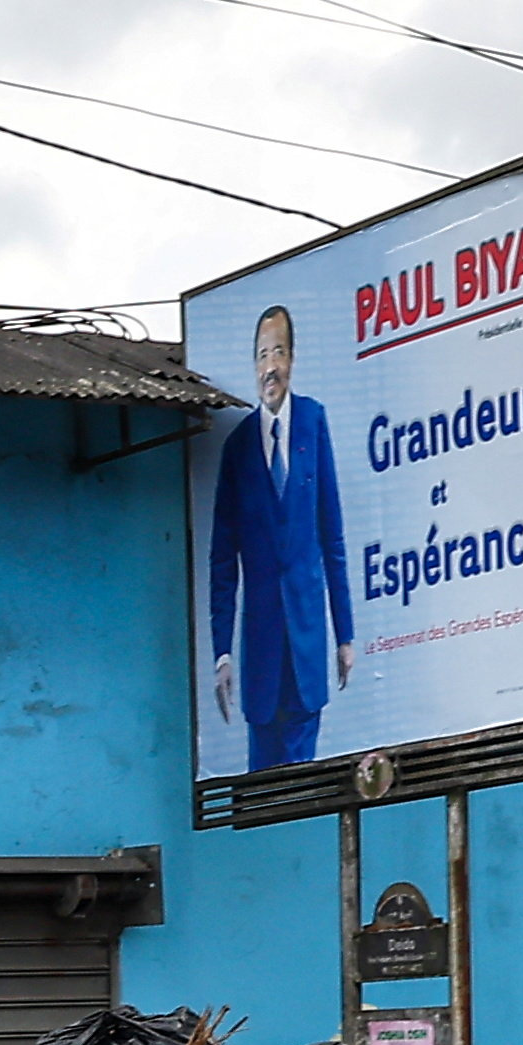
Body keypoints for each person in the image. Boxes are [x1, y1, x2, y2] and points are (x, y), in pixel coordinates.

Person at [202, 297, 352, 780]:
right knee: (261, 785)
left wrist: (344, 635)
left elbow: (332, 535)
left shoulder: (313, 421)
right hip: (262, 650)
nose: (272, 367)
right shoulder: (239, 447)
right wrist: (222, 651)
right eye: (264, 355)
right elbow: (222, 561)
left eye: (280, 353)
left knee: (305, 783)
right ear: (254, 365)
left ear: (293, 360)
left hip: (307, 641)